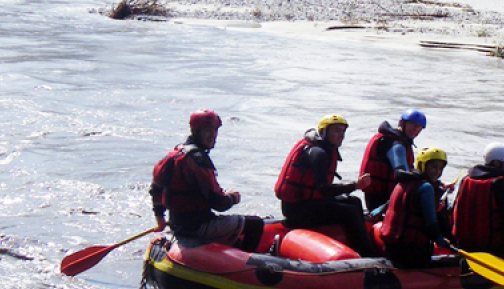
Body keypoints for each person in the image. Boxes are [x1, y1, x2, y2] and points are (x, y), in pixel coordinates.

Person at [152, 109, 263, 251]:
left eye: (215, 130)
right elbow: (219, 204)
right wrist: (233, 197)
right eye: (207, 131)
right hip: (199, 226)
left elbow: (156, 187)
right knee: (256, 224)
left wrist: (160, 218)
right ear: (196, 131)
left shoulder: (174, 154)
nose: (213, 136)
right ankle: (249, 267)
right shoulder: (198, 160)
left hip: (177, 224)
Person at [274, 114, 381, 256]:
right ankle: (367, 254)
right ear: (324, 132)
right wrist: (355, 185)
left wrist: (352, 188)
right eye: (337, 131)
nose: (341, 136)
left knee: (354, 201)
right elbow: (324, 189)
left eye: (343, 132)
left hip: (308, 203)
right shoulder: (318, 153)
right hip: (297, 210)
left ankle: (362, 245)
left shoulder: (322, 149)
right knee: (349, 212)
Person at [449, 142, 504, 259]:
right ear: (497, 163)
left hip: (465, 247)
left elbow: (453, 210)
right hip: (496, 250)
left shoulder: (466, 180)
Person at [377, 146, 455, 268]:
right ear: (423, 165)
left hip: (391, 248)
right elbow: (431, 223)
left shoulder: (404, 182)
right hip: (412, 254)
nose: (438, 172)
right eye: (434, 167)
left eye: (440, 168)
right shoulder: (426, 188)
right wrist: (442, 241)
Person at [358, 109, 427, 213]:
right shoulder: (396, 144)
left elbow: (410, 170)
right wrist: (427, 177)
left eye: (418, 127)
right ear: (401, 123)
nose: (415, 130)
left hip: (385, 196)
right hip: (381, 200)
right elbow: (400, 175)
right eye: (412, 125)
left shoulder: (401, 141)